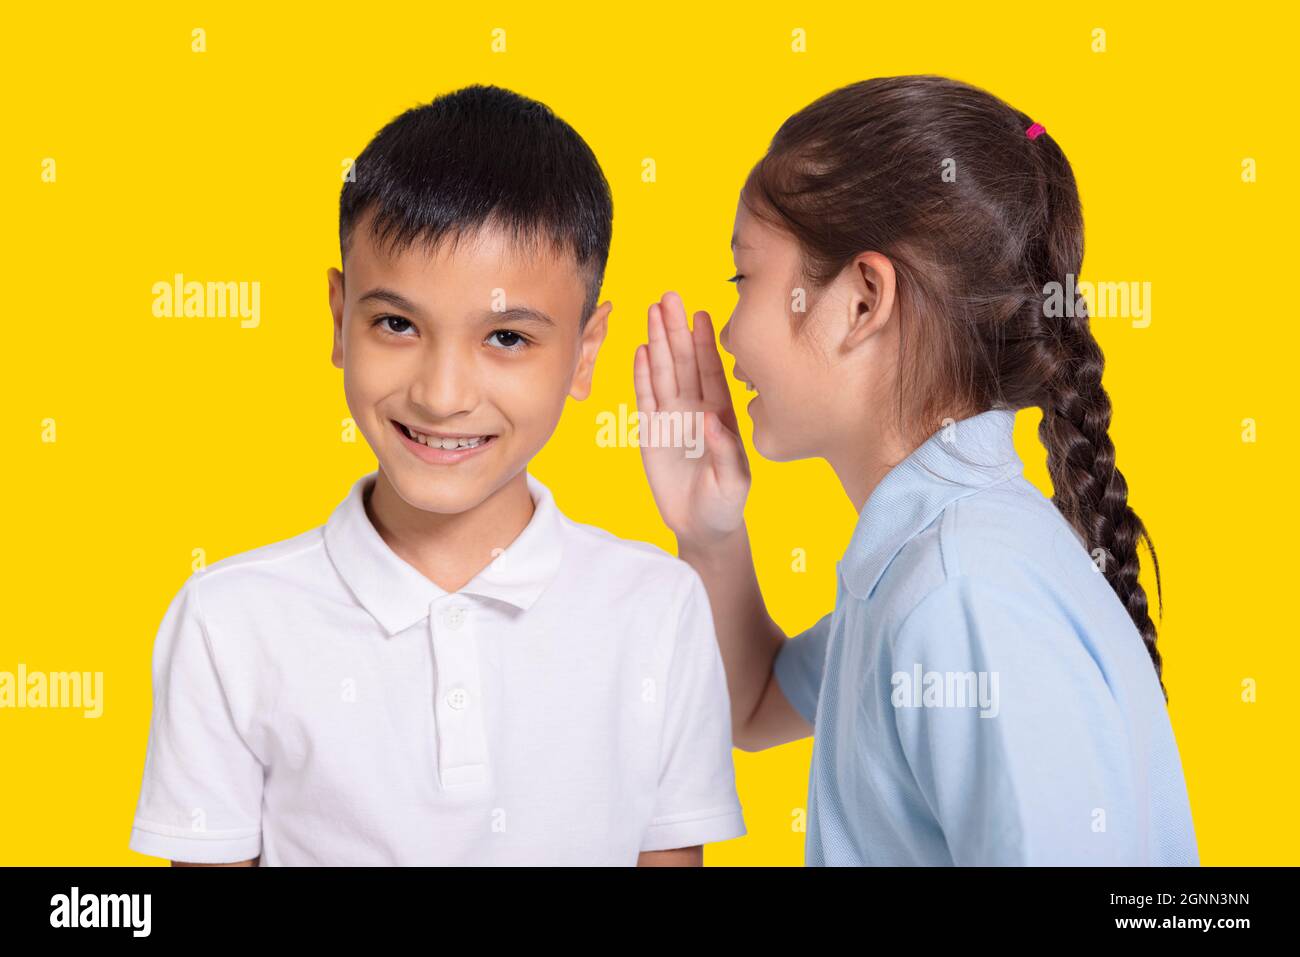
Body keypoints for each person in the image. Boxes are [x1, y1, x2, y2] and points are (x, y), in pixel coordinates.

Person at [128, 84, 745, 866]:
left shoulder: (658, 609)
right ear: (338, 318)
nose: (442, 394)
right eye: (396, 324)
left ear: (586, 352)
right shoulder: (229, 623)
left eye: (508, 338)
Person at [633, 75, 1198, 865]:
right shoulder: (931, 565)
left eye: (744, 279)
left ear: (863, 300)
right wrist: (709, 529)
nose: (726, 331)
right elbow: (754, 705)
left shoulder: (961, 591)